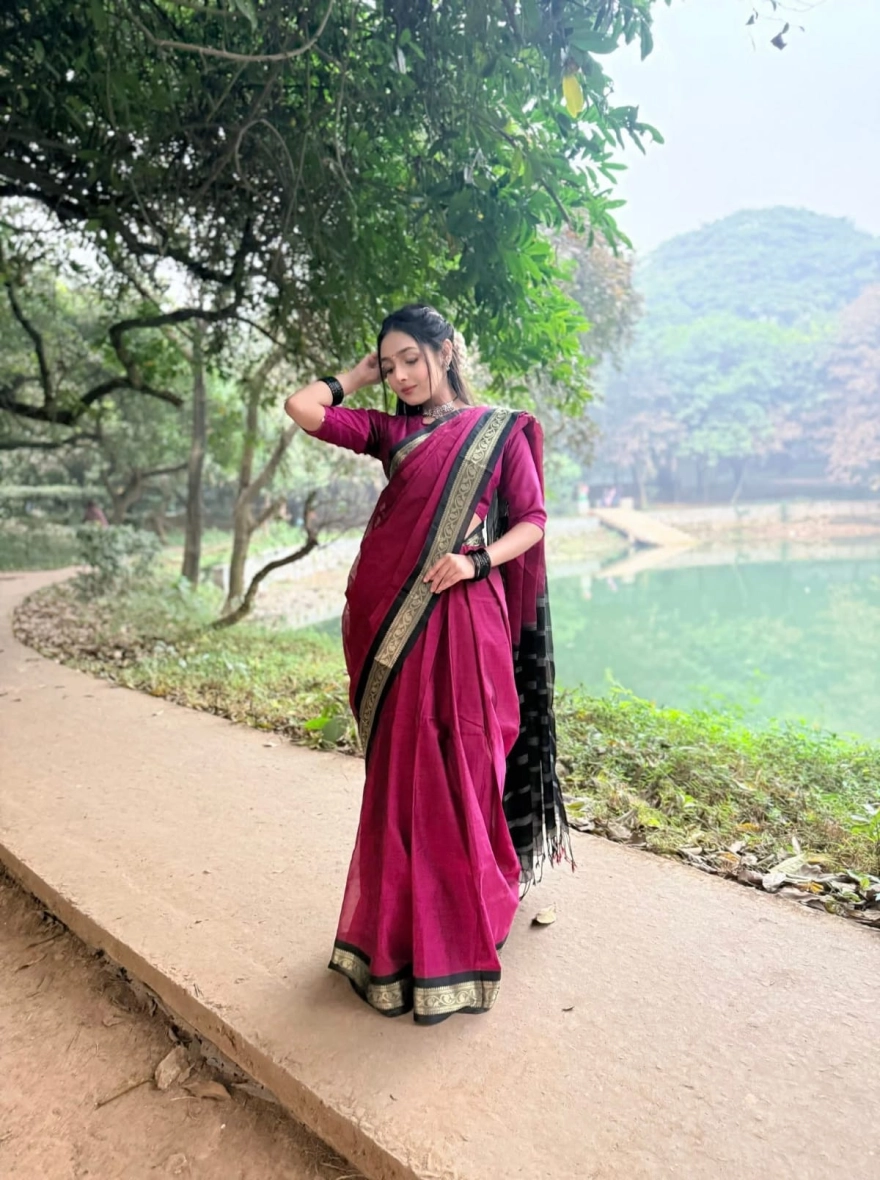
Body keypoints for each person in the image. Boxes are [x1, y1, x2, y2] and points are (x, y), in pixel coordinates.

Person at [284, 303, 571, 1025]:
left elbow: (533, 522)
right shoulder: (393, 434)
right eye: (390, 366)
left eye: (411, 359)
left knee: (466, 763)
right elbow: (303, 408)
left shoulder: (499, 430)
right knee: (402, 771)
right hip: (393, 624)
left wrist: (476, 562)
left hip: (469, 618)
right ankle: (400, 941)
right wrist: (354, 377)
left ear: (446, 352)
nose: (402, 376)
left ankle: (465, 921)